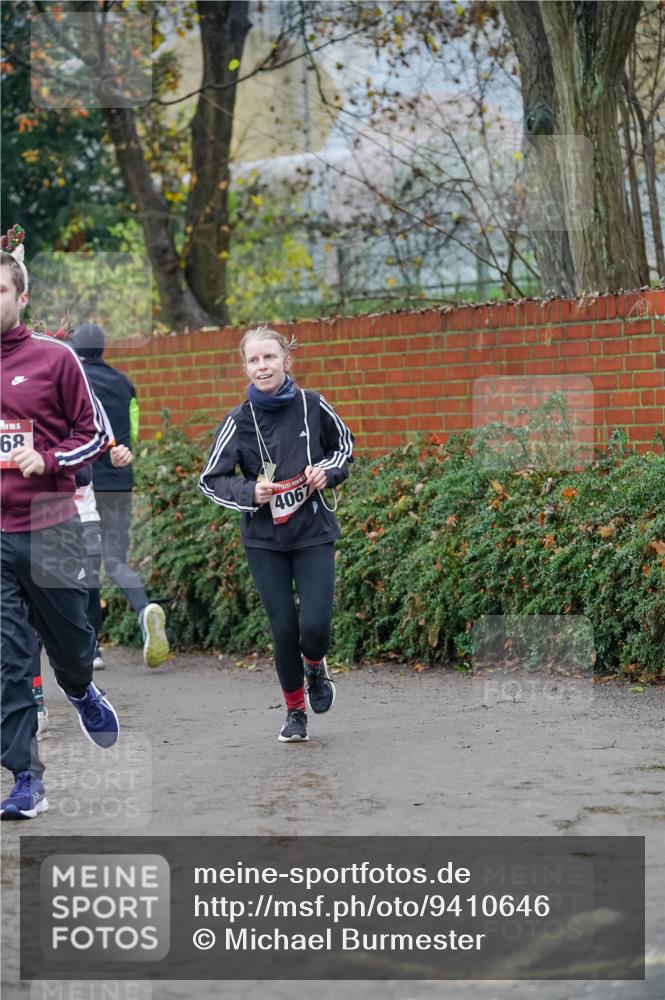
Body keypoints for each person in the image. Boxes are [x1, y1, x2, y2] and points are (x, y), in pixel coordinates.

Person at [1, 224, 120, 820]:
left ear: (21, 298)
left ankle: (78, 687)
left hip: (50, 517)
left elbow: (96, 434)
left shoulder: (55, 357)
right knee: (8, 658)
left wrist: (47, 459)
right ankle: (26, 778)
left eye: (0, 290)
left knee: (72, 641)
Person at [199, 326, 354, 743]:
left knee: (315, 626)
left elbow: (344, 446)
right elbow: (210, 479)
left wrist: (328, 472)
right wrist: (250, 492)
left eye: (269, 358)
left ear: (287, 361)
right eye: (253, 360)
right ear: (245, 367)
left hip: (312, 531)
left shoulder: (313, 405)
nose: (262, 366)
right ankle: (294, 711)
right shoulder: (237, 421)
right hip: (265, 540)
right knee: (284, 627)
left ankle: (316, 667)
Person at [69, 322, 169, 669]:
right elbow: (134, 432)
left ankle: (92, 649)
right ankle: (144, 611)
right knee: (115, 560)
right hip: (119, 480)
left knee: (85, 567)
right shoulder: (124, 383)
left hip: (82, 483)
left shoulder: (71, 380)